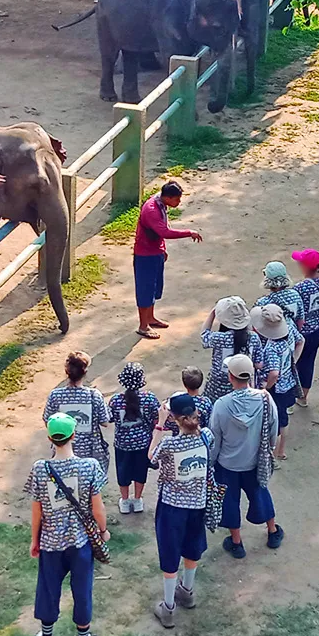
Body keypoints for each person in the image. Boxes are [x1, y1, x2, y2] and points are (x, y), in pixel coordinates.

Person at [26, 414, 108, 636]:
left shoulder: (40, 468)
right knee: (82, 589)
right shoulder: (90, 466)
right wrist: (102, 531)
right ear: (74, 435)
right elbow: (97, 508)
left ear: (50, 438)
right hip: (81, 542)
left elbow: (37, 509)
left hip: (51, 543)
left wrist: (34, 539)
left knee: (49, 589)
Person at [208, 355, 284, 558]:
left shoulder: (221, 405)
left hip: (227, 464)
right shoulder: (266, 399)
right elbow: (273, 428)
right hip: (255, 461)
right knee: (261, 493)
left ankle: (236, 542)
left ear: (230, 377)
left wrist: (211, 462)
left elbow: (215, 438)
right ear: (250, 375)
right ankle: (272, 531)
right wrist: (269, 449)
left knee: (229, 502)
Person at [148, 393, 212, 628]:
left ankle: (168, 607)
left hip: (172, 507)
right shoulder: (206, 437)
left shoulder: (169, 444)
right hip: (197, 504)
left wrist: (159, 424)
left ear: (174, 417)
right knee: (191, 549)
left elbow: (152, 458)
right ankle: (187, 590)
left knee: (170, 552)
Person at [133, 180, 202, 339]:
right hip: (145, 254)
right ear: (168, 197)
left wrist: (162, 249)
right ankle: (143, 326)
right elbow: (164, 231)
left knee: (154, 287)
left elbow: (158, 232)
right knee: (145, 289)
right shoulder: (151, 210)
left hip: (154, 251)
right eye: (177, 199)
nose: (178, 202)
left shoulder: (161, 204)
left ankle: (150, 318)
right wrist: (188, 232)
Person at [43, 351, 111, 480]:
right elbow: (105, 421)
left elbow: (48, 420)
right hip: (91, 452)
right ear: (85, 372)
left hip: (63, 450)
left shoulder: (55, 395)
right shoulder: (94, 395)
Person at [252, 303, 304, 461]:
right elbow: (301, 341)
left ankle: (275, 449)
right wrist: (292, 360)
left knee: (275, 419)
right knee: (283, 418)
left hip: (276, 388)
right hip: (288, 382)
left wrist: (266, 387)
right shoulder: (289, 327)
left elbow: (274, 373)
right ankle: (280, 449)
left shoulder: (272, 348)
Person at [109, 362, 161, 513]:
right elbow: (156, 417)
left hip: (122, 444)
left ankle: (125, 501)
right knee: (140, 471)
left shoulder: (115, 400)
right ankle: (137, 499)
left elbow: (110, 419)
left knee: (122, 471)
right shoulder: (149, 398)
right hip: (143, 444)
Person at [200, 295, 263, 400]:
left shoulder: (220, 338)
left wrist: (213, 313)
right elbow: (259, 364)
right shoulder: (253, 337)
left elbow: (204, 336)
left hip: (217, 387)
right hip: (243, 386)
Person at [291, 248, 319, 404]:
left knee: (294, 363)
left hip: (301, 333)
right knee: (309, 362)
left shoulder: (299, 288)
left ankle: (292, 394)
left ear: (305, 267)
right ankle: (303, 396)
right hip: (317, 330)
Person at [256, 260, 305, 329]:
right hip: (292, 335)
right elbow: (300, 321)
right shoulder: (295, 295)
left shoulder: (263, 302)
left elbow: (259, 326)